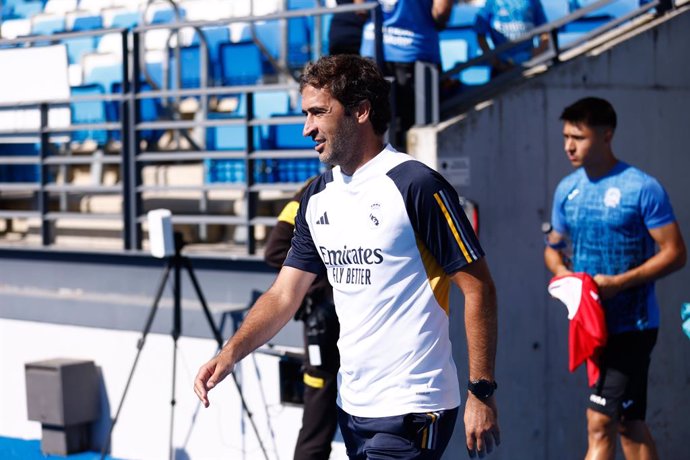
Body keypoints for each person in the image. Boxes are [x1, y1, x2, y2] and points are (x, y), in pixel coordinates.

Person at [194, 54, 500, 459]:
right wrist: (231, 352)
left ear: (360, 111)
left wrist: (481, 390)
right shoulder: (317, 196)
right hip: (352, 406)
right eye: (306, 114)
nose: (307, 128)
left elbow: (479, 289)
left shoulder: (417, 184)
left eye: (319, 112)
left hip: (414, 404)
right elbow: (284, 295)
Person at [544, 97, 686, 460]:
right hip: (591, 326)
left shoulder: (641, 187)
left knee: (599, 420)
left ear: (607, 135)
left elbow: (675, 253)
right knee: (628, 421)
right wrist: (565, 276)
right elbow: (553, 249)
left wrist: (620, 283)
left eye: (579, 137)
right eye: (565, 137)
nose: (569, 146)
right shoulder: (567, 189)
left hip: (633, 326)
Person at [264, 181, 340, 460]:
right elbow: (274, 251)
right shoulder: (311, 193)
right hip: (323, 324)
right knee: (318, 419)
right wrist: (325, 278)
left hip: (347, 324)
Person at [359, 0, 455, 151]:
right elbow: (441, 12)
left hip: (373, 47)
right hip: (413, 49)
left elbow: (360, 8)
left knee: (370, 123)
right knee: (412, 131)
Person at [473, 0, 550, 78]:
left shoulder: (532, 2)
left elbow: (545, 32)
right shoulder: (492, 2)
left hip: (529, 65)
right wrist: (495, 61)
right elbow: (480, 34)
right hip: (502, 68)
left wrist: (539, 51)